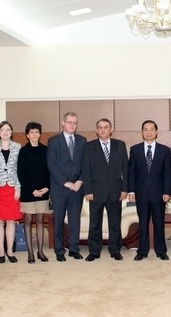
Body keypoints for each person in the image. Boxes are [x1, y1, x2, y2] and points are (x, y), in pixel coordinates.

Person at [82, 118, 128, 261]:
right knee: (95, 224)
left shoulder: (120, 145)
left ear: (111, 129)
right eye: (100, 127)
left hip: (115, 191)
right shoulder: (89, 147)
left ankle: (115, 250)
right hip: (96, 192)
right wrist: (87, 191)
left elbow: (125, 169)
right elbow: (86, 170)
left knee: (115, 224)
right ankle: (94, 251)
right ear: (96, 130)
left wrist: (124, 189)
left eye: (106, 127)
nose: (103, 130)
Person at [128, 120, 171, 261]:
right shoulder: (135, 150)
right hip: (141, 193)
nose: (149, 132)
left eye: (151, 129)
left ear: (156, 132)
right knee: (143, 224)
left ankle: (161, 251)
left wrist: (167, 192)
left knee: (159, 223)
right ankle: (142, 251)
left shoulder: (164, 150)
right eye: (146, 130)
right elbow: (131, 172)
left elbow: (168, 173)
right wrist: (131, 191)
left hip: (159, 194)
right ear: (142, 132)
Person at [47, 112, 86, 262]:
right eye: (69, 122)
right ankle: (59, 250)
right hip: (59, 188)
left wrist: (80, 181)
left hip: (77, 188)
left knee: (75, 220)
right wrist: (65, 182)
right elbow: (51, 164)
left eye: (75, 123)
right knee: (59, 221)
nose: (72, 125)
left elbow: (86, 163)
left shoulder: (82, 140)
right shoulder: (53, 141)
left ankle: (74, 249)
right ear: (63, 123)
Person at [0, 120, 23, 264]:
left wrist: (18, 188)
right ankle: (1, 252)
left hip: (12, 188)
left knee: (11, 220)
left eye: (8, 129)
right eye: (2, 129)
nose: (5, 132)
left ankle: (10, 251)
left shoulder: (17, 147)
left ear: (11, 132)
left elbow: (20, 169)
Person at [18, 122, 50, 264]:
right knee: (28, 220)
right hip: (28, 192)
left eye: (37, 132)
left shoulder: (46, 150)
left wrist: (47, 187)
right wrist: (32, 190)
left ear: (40, 134)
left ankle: (40, 251)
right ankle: (30, 252)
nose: (34, 134)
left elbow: (50, 170)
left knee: (40, 220)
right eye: (31, 132)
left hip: (43, 191)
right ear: (27, 135)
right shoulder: (23, 151)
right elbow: (21, 173)